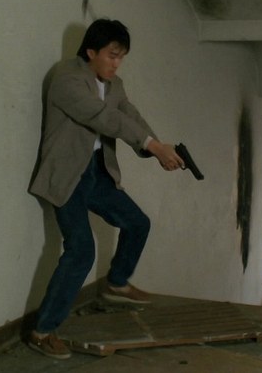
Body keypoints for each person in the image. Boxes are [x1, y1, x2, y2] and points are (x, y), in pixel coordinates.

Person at [27, 18, 184, 359]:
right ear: (91, 51)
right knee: (81, 251)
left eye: (121, 57)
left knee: (137, 223)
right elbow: (103, 118)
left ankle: (116, 283)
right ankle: (43, 332)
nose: (117, 64)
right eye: (112, 56)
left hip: (98, 172)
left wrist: (158, 148)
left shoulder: (115, 85)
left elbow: (130, 115)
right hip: (68, 175)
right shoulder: (67, 79)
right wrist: (154, 147)